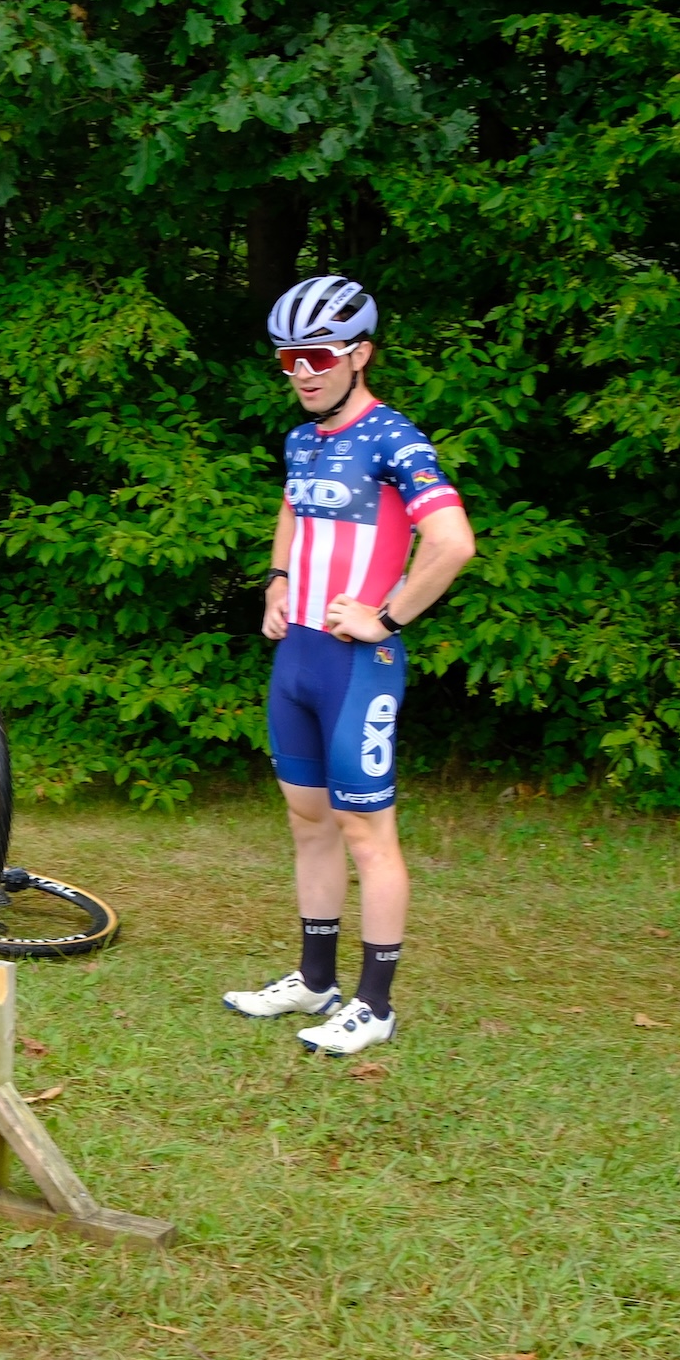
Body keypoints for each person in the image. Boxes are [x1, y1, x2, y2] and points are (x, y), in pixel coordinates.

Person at [221, 276, 478, 1056]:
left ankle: (375, 1003)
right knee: (309, 826)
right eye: (287, 358)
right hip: (295, 656)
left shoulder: (394, 438)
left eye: (318, 354)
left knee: (368, 834)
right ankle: (314, 979)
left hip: (356, 667)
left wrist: (386, 616)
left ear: (359, 354)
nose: (301, 370)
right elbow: (293, 509)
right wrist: (276, 581)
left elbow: (453, 542)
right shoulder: (303, 438)